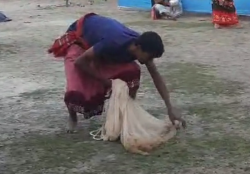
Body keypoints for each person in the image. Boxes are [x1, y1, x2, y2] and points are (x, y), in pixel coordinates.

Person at [47, 13, 185, 132]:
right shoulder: (114, 42)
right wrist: (106, 81)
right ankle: (72, 117)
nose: (150, 60)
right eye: (149, 56)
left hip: (99, 44)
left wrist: (169, 107)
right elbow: (80, 62)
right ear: (138, 48)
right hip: (80, 39)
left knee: (133, 71)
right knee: (76, 87)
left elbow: (156, 76)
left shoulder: (140, 46)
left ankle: (126, 113)